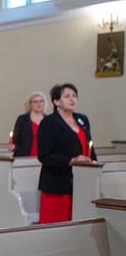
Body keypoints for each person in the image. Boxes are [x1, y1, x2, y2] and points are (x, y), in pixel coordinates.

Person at [37, 83, 96, 224]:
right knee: (57, 226)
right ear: (57, 101)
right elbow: (44, 156)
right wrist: (70, 160)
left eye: (74, 96)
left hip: (81, 183)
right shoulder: (49, 122)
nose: (72, 99)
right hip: (57, 184)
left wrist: (94, 163)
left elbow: (89, 147)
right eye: (67, 96)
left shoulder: (83, 119)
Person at [9, 91, 47, 157]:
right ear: (30, 104)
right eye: (35, 102)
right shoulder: (22, 119)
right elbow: (15, 139)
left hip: (43, 157)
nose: (39, 104)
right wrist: (12, 145)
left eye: (41, 101)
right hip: (24, 156)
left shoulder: (48, 120)